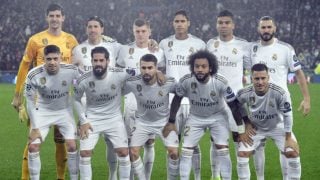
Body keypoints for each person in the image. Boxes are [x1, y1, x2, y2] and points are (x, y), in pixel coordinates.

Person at [10, 4, 78, 180]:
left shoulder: (71, 40)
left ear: (63, 17)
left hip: (63, 99)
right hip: (39, 100)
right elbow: (24, 66)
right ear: (46, 18)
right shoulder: (35, 40)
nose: (54, 19)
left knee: (61, 140)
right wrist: (17, 96)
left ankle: (61, 177)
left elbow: (81, 64)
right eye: (51, 16)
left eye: (57, 15)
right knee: (33, 139)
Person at [162, 50, 250, 180]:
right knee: (186, 152)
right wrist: (171, 121)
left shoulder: (221, 81)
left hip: (218, 117)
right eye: (197, 66)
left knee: (222, 149)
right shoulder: (186, 80)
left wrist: (241, 130)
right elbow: (177, 99)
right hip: (195, 118)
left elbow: (233, 106)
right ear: (193, 67)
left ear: (210, 68)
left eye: (204, 66)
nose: (200, 69)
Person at [248, 16, 310, 180]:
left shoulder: (285, 49)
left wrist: (306, 99)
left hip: (281, 108)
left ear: (274, 28)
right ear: (258, 29)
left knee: (289, 149)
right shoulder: (252, 48)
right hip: (258, 107)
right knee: (257, 147)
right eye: (263, 27)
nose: (266, 30)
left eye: (269, 27)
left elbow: (298, 73)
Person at [72, 16, 121, 180]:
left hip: (109, 102)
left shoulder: (113, 47)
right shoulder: (78, 49)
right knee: (85, 146)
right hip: (86, 103)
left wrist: (151, 43)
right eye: (90, 26)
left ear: (102, 29)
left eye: (96, 26)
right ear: (86, 29)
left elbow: (133, 49)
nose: (92, 29)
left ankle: (112, 175)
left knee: (112, 143)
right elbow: (74, 74)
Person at [159, 10, 206, 180]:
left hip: (193, 102)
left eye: (182, 21)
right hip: (171, 102)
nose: (179, 24)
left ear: (188, 23)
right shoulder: (164, 43)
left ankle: (198, 176)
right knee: (172, 145)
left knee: (192, 143)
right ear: (173, 23)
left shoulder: (199, 43)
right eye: (176, 21)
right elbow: (159, 66)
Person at [74, 47, 133, 180]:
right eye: (95, 60)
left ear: (108, 61)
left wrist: (157, 72)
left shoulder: (119, 73)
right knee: (84, 153)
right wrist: (83, 120)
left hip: (114, 119)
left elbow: (138, 73)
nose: (98, 63)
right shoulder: (84, 79)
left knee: (123, 152)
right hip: (92, 119)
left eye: (101, 60)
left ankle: (116, 176)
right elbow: (76, 100)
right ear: (92, 61)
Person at [116, 18, 164, 180]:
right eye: (137, 31)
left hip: (151, 104)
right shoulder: (125, 50)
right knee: (131, 144)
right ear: (133, 31)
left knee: (150, 143)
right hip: (130, 102)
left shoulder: (158, 51)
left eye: (144, 31)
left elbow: (162, 76)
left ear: (149, 32)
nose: (140, 34)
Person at [236, 63, 301, 180]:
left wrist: (288, 137)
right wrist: (246, 122)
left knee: (293, 152)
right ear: (251, 79)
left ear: (268, 78)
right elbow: (236, 105)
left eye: (263, 78)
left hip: (277, 126)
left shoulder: (280, 93)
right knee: (242, 154)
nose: (260, 82)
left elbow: (288, 115)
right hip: (256, 127)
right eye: (256, 79)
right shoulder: (244, 93)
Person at [206, 10, 250, 180]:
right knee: (215, 140)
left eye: (226, 23)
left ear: (233, 25)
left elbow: (252, 68)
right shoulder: (210, 44)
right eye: (220, 23)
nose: (223, 26)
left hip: (237, 101)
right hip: (215, 100)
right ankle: (215, 175)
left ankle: (241, 175)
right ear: (216, 25)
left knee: (239, 137)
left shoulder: (243, 45)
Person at [25, 45, 79, 180]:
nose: (52, 62)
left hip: (64, 111)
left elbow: (81, 91)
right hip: (43, 111)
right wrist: (35, 127)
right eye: (49, 59)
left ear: (61, 57)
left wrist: (83, 119)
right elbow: (30, 101)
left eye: (55, 58)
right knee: (33, 147)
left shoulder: (72, 71)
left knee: (72, 146)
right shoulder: (34, 74)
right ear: (44, 59)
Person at [122, 54, 179, 180]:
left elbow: (181, 93)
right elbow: (116, 89)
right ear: (139, 67)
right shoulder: (133, 82)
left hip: (164, 122)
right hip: (142, 123)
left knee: (174, 153)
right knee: (133, 153)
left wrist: (172, 120)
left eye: (150, 68)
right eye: (143, 68)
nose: (146, 71)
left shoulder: (168, 81)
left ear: (156, 68)